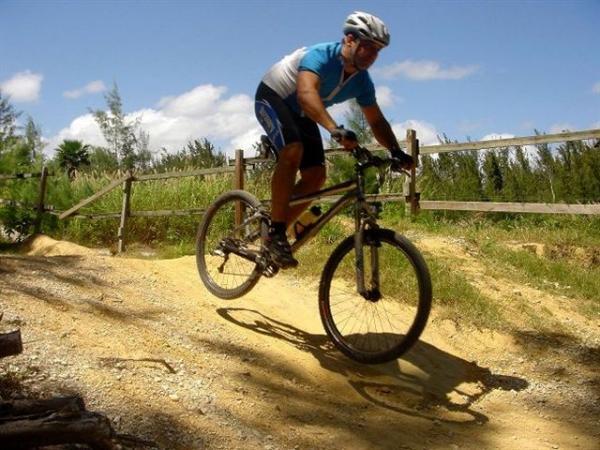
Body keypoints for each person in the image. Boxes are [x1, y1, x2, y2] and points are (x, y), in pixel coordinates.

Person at [255, 11, 414, 269]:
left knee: (316, 177)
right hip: (274, 97)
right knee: (293, 149)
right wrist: (335, 129)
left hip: (304, 112)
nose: (372, 56)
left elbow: (376, 121)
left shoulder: (362, 82)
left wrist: (396, 150)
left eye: (377, 51)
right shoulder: (320, 55)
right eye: (368, 48)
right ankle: (276, 233)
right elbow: (306, 95)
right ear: (349, 40)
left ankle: (275, 226)